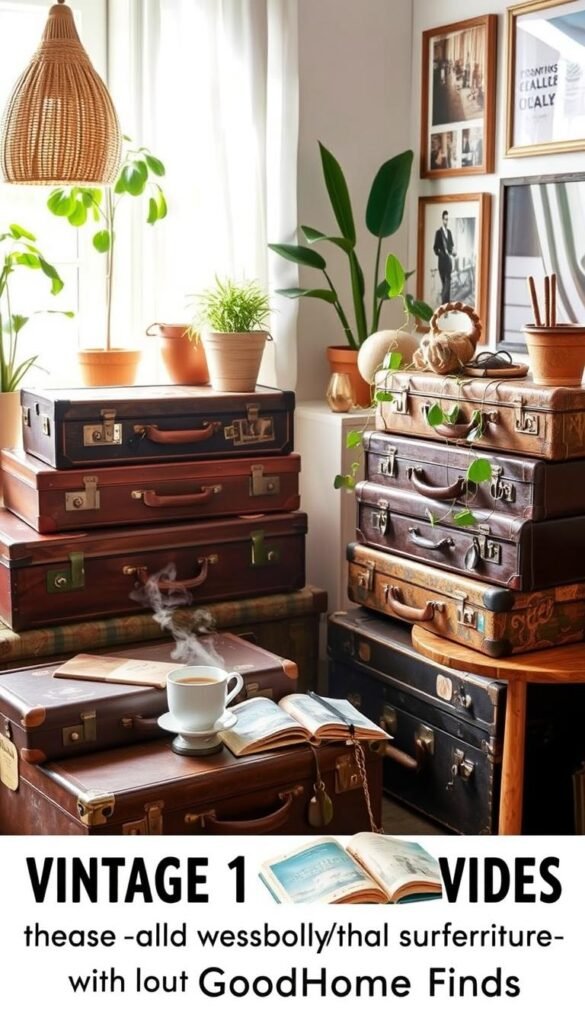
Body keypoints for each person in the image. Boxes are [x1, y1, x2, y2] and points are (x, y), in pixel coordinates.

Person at [433, 210, 456, 304]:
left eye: (448, 219)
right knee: (444, 285)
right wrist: (441, 254)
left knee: (448, 283)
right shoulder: (438, 233)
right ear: (442, 220)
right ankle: (446, 306)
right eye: (445, 219)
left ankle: (445, 305)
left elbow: (451, 247)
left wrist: (453, 252)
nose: (446, 221)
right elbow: (435, 248)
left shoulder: (449, 232)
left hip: (448, 263)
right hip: (441, 263)